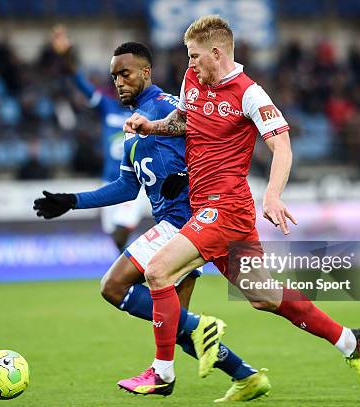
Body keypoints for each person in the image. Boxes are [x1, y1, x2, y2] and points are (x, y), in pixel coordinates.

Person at [120, 15, 360, 396]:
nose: (189, 65)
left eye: (194, 56)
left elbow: (282, 145)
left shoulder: (250, 93)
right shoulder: (193, 80)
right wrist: (152, 127)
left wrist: (272, 194)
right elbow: (186, 120)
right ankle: (349, 341)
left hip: (225, 209)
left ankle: (162, 374)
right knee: (264, 296)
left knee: (158, 273)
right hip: (211, 208)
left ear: (217, 53)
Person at [33, 41, 271, 402]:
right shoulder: (133, 123)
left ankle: (178, 358)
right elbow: (128, 187)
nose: (119, 82)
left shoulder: (167, 108)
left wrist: (189, 175)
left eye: (125, 73)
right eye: (114, 76)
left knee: (113, 286)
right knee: (176, 326)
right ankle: (247, 376)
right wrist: (72, 201)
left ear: (146, 72)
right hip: (178, 227)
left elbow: (214, 143)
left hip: (187, 223)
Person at [51, 26, 145, 252]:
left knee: (122, 228)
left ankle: (139, 263)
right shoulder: (108, 107)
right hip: (109, 181)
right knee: (115, 235)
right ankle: (132, 271)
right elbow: (82, 85)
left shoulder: (146, 110)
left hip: (134, 183)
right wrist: (67, 55)